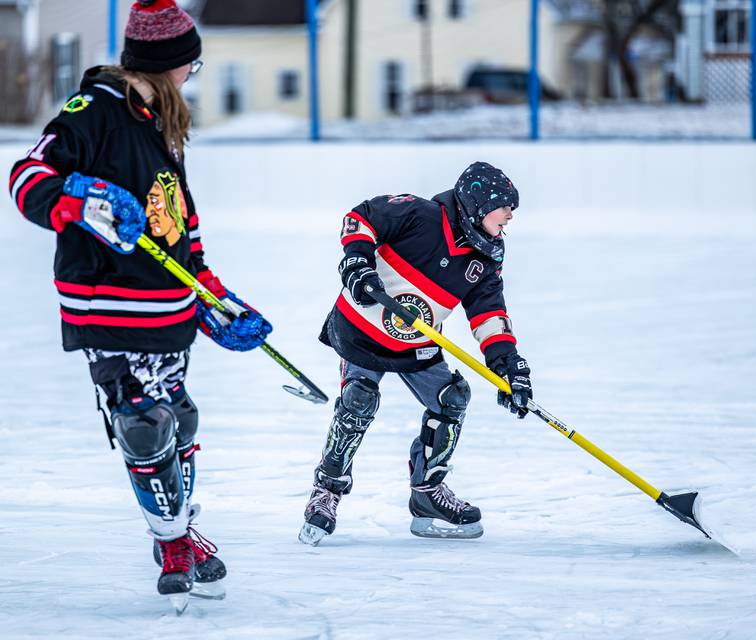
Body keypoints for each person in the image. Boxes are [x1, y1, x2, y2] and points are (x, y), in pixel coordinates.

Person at [7, 0, 271, 608]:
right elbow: (26, 178)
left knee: (180, 419)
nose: (190, 76)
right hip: (106, 306)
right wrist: (77, 201)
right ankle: (174, 541)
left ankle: (172, 529)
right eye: (189, 65)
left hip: (169, 307)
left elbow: (180, 220)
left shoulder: (161, 122)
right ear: (165, 63)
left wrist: (212, 295)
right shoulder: (91, 112)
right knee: (143, 424)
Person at [299, 161, 533, 545]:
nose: (510, 214)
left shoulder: (487, 257)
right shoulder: (419, 214)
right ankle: (326, 491)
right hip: (360, 331)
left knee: (452, 398)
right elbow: (360, 218)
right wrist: (357, 261)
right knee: (358, 400)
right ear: (477, 204)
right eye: (504, 205)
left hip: (416, 342)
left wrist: (507, 365)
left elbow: (489, 312)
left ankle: (427, 494)